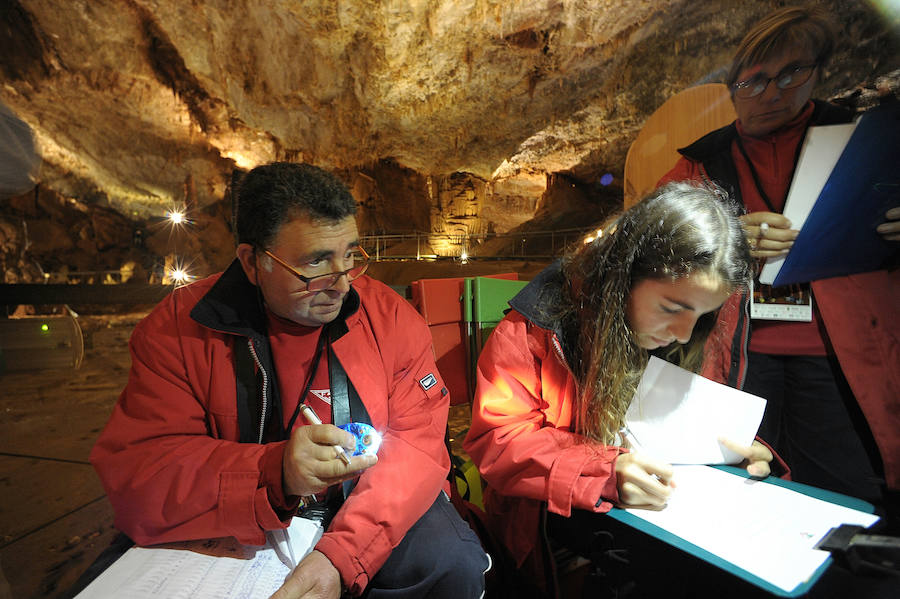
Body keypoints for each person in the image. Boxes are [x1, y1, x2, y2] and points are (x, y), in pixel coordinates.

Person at [90, 162, 489, 598]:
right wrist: (274, 471)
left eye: (351, 255)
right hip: (242, 513)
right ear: (252, 261)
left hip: (370, 501)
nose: (342, 284)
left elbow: (416, 445)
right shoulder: (178, 329)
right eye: (316, 263)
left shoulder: (390, 318)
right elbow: (140, 475)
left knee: (451, 563)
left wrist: (342, 555)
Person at [463, 182, 776, 597]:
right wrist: (606, 471)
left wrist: (738, 449)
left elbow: (693, 415)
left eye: (702, 315)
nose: (684, 334)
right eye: (671, 308)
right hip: (548, 529)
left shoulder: (692, 334)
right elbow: (498, 441)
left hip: (661, 519)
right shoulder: (533, 328)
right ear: (625, 273)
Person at [658, 6, 899, 521]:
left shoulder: (868, 143)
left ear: (818, 71)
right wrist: (720, 237)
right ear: (731, 87)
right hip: (735, 358)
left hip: (841, 355)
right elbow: (655, 239)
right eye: (754, 81)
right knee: (739, 491)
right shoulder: (701, 160)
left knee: (844, 496)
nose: (772, 92)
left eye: (791, 74)